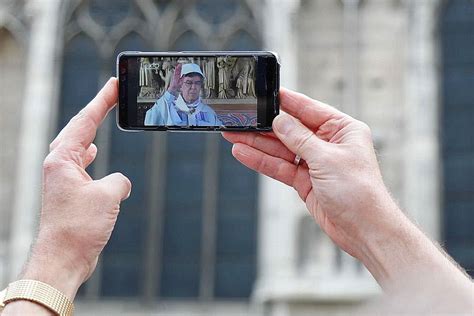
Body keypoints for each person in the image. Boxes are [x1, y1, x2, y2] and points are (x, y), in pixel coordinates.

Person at [0, 80, 472, 315]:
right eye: (183, 83)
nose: (189, 89)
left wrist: (55, 264)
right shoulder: (166, 106)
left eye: (193, 84)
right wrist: (372, 227)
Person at [144, 63, 222, 126]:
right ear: (180, 85)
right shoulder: (168, 108)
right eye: (189, 83)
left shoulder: (209, 112)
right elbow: (150, 121)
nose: (193, 87)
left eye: (197, 83)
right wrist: (171, 89)